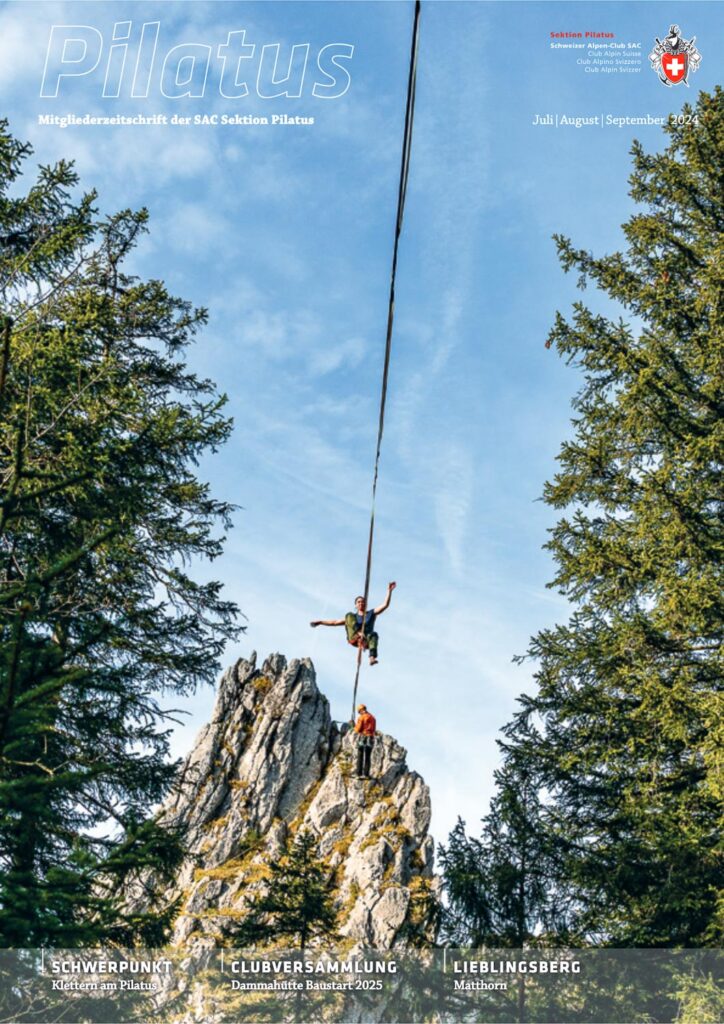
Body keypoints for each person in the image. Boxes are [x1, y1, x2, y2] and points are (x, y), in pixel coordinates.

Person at [310, 582, 396, 666]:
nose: (361, 603)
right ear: (356, 605)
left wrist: (389, 591)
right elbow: (335, 622)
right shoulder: (352, 617)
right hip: (354, 638)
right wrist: (320, 622)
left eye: (362, 602)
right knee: (348, 615)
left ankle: (372, 658)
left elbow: (385, 605)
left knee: (374, 634)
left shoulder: (371, 613)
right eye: (359, 602)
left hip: (366, 639)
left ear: (365, 604)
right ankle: (358, 633)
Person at [354, 703, 376, 778]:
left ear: (361, 710)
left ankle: (358, 773)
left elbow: (358, 729)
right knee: (367, 756)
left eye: (359, 712)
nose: (360, 713)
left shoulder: (362, 717)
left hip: (363, 738)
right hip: (370, 738)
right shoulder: (372, 717)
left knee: (360, 755)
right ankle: (366, 774)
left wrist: (353, 726)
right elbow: (373, 729)